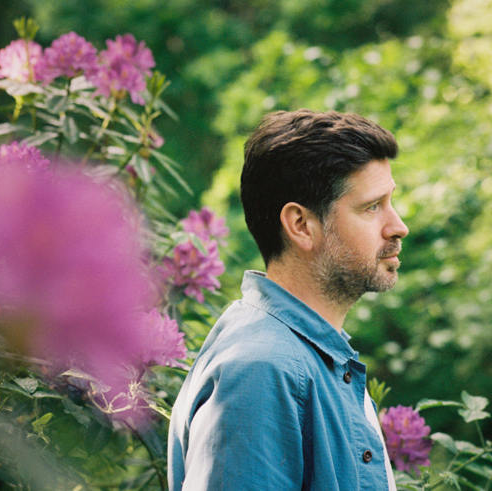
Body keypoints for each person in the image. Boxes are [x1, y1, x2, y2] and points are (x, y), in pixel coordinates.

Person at [167, 109, 408, 490]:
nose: (398, 226)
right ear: (301, 225)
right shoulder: (261, 370)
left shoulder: (313, 358)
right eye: (372, 207)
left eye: (391, 202)